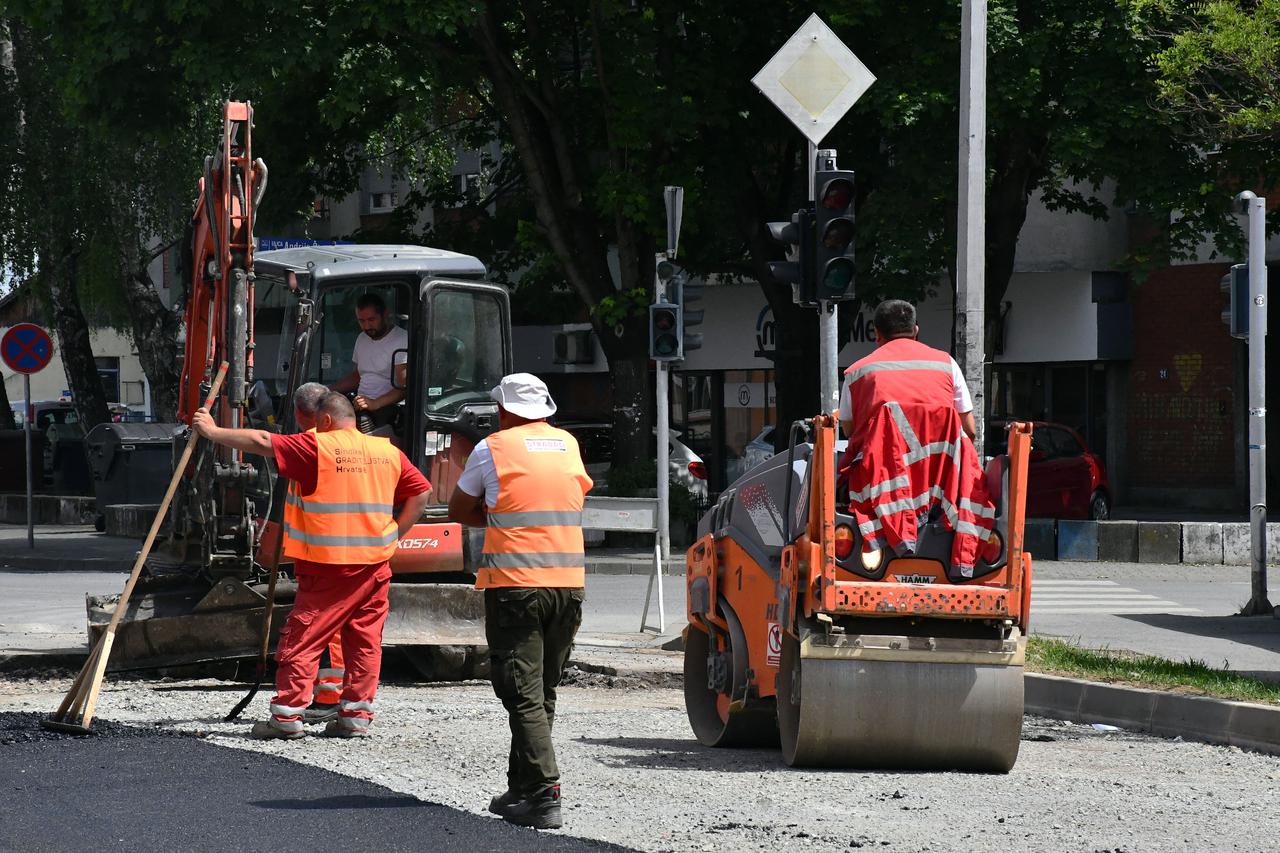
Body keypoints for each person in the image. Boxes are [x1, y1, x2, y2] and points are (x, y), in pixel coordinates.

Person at [192, 391, 432, 739]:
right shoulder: (387, 452)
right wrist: (395, 533)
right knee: (364, 641)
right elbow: (421, 492)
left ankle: (287, 717)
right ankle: (355, 717)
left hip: (330, 567)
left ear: (325, 421)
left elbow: (262, 440)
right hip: (375, 566)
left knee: (303, 636)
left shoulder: (317, 447)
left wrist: (213, 431)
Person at [448, 373, 592, 831]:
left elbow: (458, 508)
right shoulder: (568, 444)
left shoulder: (493, 447)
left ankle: (545, 793)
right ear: (544, 410)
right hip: (568, 585)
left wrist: (493, 515)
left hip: (516, 585)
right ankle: (521, 786)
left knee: (520, 692)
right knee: (541, 691)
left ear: (506, 410)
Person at [838, 299, 977, 452]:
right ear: (916, 331)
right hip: (938, 472)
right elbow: (969, 430)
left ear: (876, 333)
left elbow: (849, 429)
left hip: (882, 473)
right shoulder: (947, 364)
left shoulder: (856, 373)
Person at [289, 381, 346, 724]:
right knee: (344, 630)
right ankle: (340, 698)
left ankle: (327, 697)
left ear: (301, 415)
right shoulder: (363, 447)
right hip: (354, 551)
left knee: (321, 628)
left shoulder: (309, 447)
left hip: (322, 552)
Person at [329, 292, 409, 428]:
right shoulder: (362, 338)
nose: (366, 326)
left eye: (371, 320)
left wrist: (374, 403)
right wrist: (328, 390)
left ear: (385, 315)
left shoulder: (401, 339)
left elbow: (403, 388)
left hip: (388, 411)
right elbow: (357, 376)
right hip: (361, 406)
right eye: (361, 321)